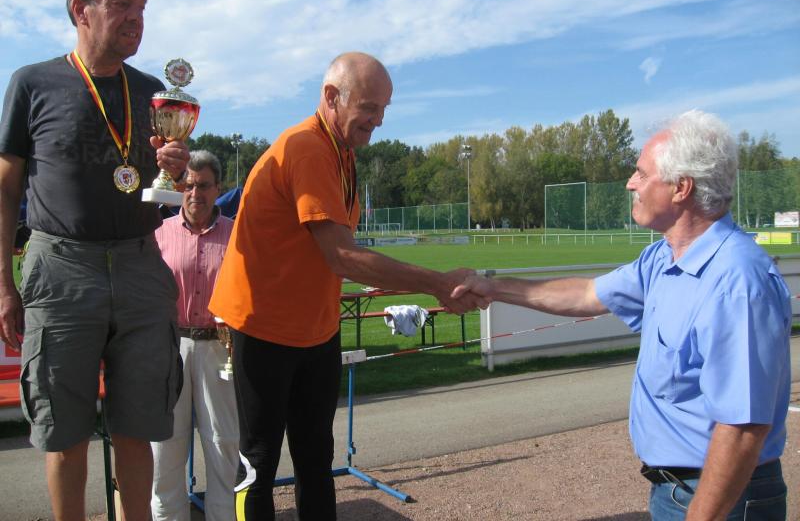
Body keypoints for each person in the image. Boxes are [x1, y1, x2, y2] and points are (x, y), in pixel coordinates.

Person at [453, 110, 791, 520]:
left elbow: (741, 429)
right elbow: (586, 295)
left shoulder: (737, 280)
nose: (631, 183)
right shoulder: (662, 259)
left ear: (681, 187)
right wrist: (495, 288)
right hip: (678, 490)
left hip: (723, 499)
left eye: (641, 173)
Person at [208, 52, 483, 520]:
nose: (379, 120)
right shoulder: (307, 147)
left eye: (384, 109)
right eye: (369, 107)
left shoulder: (341, 153)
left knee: (316, 454)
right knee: (259, 459)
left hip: (316, 327)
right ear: (331, 97)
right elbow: (343, 256)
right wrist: (438, 283)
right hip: (263, 325)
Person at [0, 0, 189, 521]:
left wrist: (175, 170)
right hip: (61, 269)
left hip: (139, 263)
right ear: (81, 10)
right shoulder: (32, 83)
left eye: (142, 7)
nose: (136, 18)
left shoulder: (153, 92)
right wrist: (4, 286)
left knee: (139, 425)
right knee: (64, 431)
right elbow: (5, 191)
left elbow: (158, 187)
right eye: (122, 5)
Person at [151, 150, 237, 521]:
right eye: (188, 185)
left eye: (203, 185)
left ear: (218, 188)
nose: (195, 193)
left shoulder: (236, 234)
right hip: (172, 346)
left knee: (223, 443)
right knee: (165, 446)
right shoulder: (160, 232)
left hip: (220, 348)